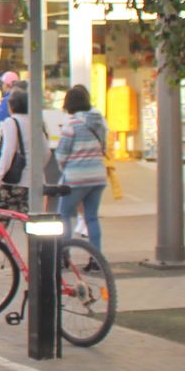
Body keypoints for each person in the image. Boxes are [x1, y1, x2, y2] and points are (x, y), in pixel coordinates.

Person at [54, 86, 109, 252]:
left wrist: (67, 169)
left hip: (76, 178)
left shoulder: (71, 125)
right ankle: (96, 258)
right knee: (91, 217)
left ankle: (63, 255)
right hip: (98, 176)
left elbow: (61, 154)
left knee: (63, 215)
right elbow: (104, 146)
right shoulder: (99, 122)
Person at [0, 88, 37, 198]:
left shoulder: (11, 122)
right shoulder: (37, 121)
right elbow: (46, 152)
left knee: (8, 213)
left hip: (18, 181)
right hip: (36, 179)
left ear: (11, 106)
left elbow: (7, 153)